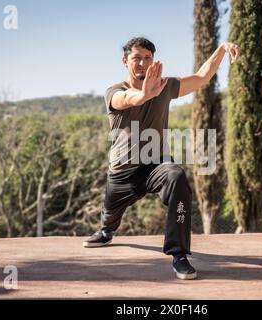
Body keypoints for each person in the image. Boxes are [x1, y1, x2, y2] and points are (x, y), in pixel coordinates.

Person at [83, 37, 239, 280]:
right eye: (137, 58)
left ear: (153, 61)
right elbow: (127, 100)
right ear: (125, 62)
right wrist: (144, 95)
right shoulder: (114, 92)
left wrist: (221, 49)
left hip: (156, 164)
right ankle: (106, 231)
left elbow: (201, 77)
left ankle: (179, 254)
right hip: (123, 172)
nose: (143, 63)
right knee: (109, 216)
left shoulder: (164, 86)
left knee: (177, 177)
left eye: (147, 58)